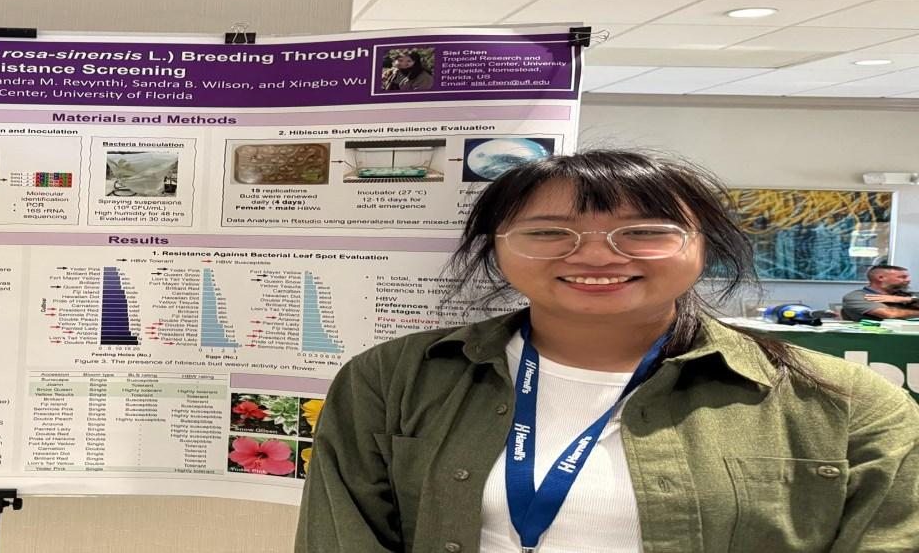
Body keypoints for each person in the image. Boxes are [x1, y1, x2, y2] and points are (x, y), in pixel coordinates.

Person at [296, 150, 918, 553]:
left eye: (644, 232)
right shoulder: (394, 377)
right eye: (549, 232)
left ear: (704, 246)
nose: (595, 255)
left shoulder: (847, 404)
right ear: (497, 248)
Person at [840, 265, 919, 321]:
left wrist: (909, 299)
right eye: (902, 277)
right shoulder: (857, 297)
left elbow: (912, 300)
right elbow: (890, 314)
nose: (908, 280)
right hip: (875, 337)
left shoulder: (904, 295)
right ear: (880, 278)